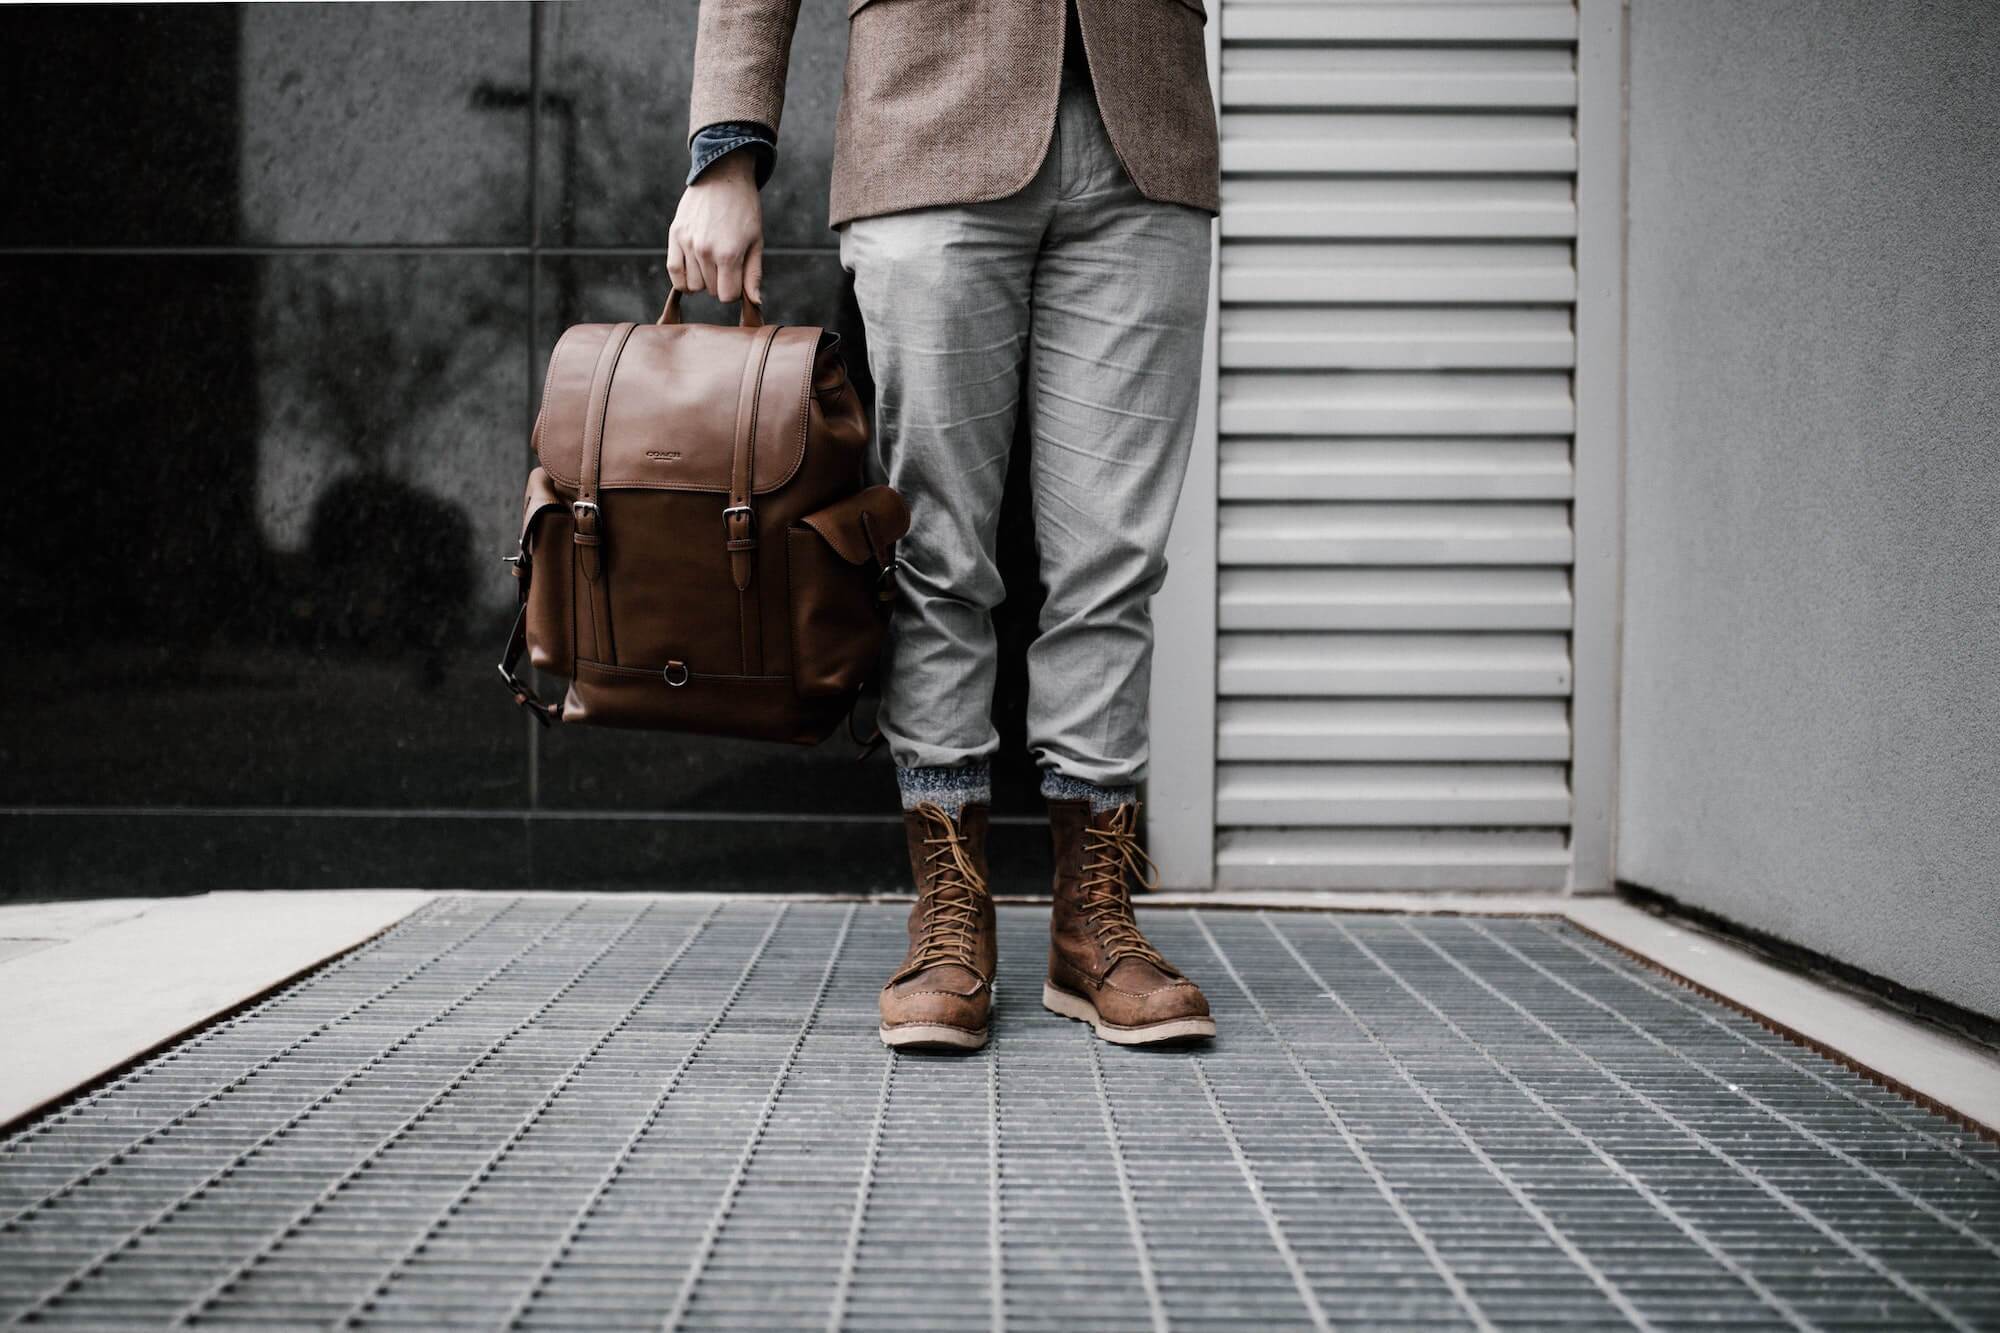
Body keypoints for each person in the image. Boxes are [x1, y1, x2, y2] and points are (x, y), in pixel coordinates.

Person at [671, 0, 1218, 1051]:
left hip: (1146, 126)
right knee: (932, 552)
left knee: (1115, 560)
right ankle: (949, 907)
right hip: (927, 122)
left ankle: (1091, 921)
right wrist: (726, 153)